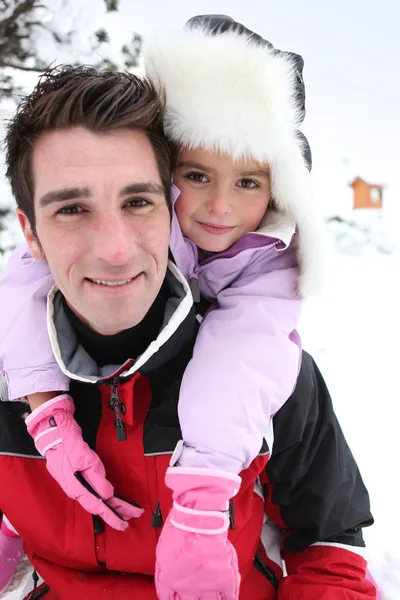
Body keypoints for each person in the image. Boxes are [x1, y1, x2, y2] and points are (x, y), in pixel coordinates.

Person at [0, 19, 375, 600]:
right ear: (31, 233)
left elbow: (329, 546)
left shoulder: (274, 369)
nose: (115, 248)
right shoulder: (14, 355)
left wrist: (203, 500)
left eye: (137, 202)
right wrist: (45, 413)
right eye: (71, 210)